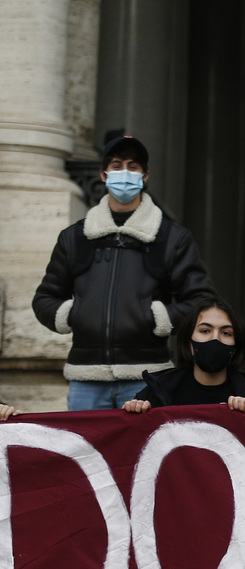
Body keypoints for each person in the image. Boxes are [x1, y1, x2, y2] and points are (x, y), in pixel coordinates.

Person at [32, 134, 215, 410]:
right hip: (85, 379)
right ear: (103, 175)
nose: (125, 173)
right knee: (86, 452)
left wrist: (158, 318)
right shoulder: (74, 238)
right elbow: (45, 298)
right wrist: (75, 313)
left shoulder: (172, 238)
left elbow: (201, 301)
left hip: (147, 377)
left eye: (133, 166)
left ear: (145, 175)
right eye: (117, 166)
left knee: (144, 454)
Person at [123, 298, 245, 412]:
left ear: (236, 346)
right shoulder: (158, 392)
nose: (215, 339)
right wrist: (136, 412)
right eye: (205, 331)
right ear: (188, 342)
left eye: (226, 333)